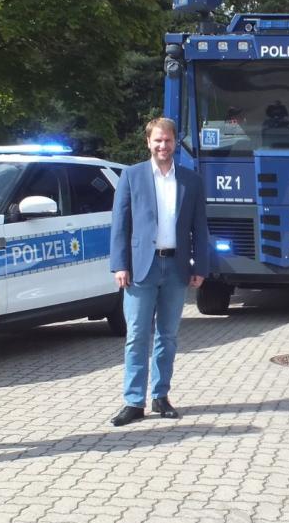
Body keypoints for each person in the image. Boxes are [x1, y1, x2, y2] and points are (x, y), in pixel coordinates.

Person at [109, 117, 210, 426]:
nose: (163, 146)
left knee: (168, 336)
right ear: (148, 143)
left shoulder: (191, 180)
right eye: (157, 141)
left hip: (177, 268)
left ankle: (160, 396)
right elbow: (120, 224)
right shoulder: (131, 176)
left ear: (175, 142)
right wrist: (120, 264)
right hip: (141, 268)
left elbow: (199, 228)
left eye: (167, 140)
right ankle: (133, 402)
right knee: (137, 335)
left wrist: (201, 266)